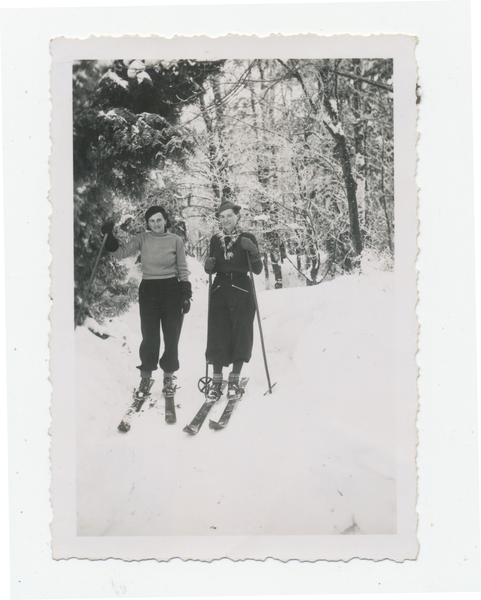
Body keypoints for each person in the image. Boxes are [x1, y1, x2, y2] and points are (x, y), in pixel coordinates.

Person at [101, 206, 192, 398]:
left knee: (171, 335)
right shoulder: (142, 238)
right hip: (149, 290)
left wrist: (185, 293)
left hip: (171, 290)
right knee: (149, 335)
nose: (156, 224)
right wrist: (109, 237)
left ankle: (168, 378)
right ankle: (145, 378)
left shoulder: (176, 240)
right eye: (151, 221)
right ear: (148, 223)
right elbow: (121, 253)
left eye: (159, 220)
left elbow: (182, 268)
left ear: (165, 220)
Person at [204, 200, 263, 399]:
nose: (226, 219)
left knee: (241, 332)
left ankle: (234, 380)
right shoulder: (215, 239)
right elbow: (211, 265)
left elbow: (257, 270)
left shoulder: (247, 237)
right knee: (218, 332)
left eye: (229, 215)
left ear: (237, 216)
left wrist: (254, 252)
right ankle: (217, 380)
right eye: (222, 216)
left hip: (242, 289)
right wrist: (208, 266)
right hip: (220, 289)